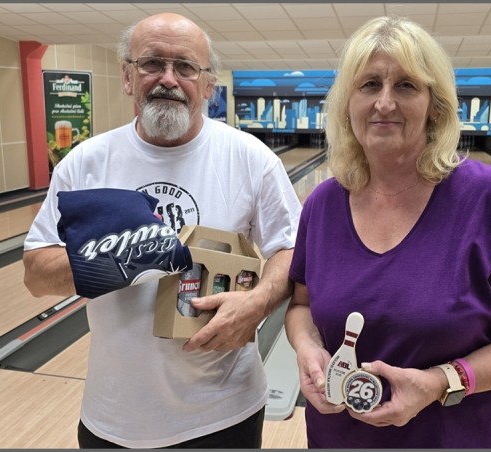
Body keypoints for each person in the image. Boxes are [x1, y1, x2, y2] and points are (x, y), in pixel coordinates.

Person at [284, 16, 491, 448]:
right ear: (346, 104)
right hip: (338, 437)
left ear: (435, 106)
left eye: (406, 86)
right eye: (369, 85)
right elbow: (301, 306)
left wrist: (440, 382)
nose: (384, 103)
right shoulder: (322, 204)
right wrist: (307, 348)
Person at [22, 12, 301, 448]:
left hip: (223, 414)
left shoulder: (251, 158)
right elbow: (35, 274)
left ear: (208, 86)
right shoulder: (86, 162)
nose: (168, 79)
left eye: (185, 67)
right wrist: (120, 257)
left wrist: (258, 303)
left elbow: (292, 250)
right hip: (112, 417)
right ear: (127, 77)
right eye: (152, 63)